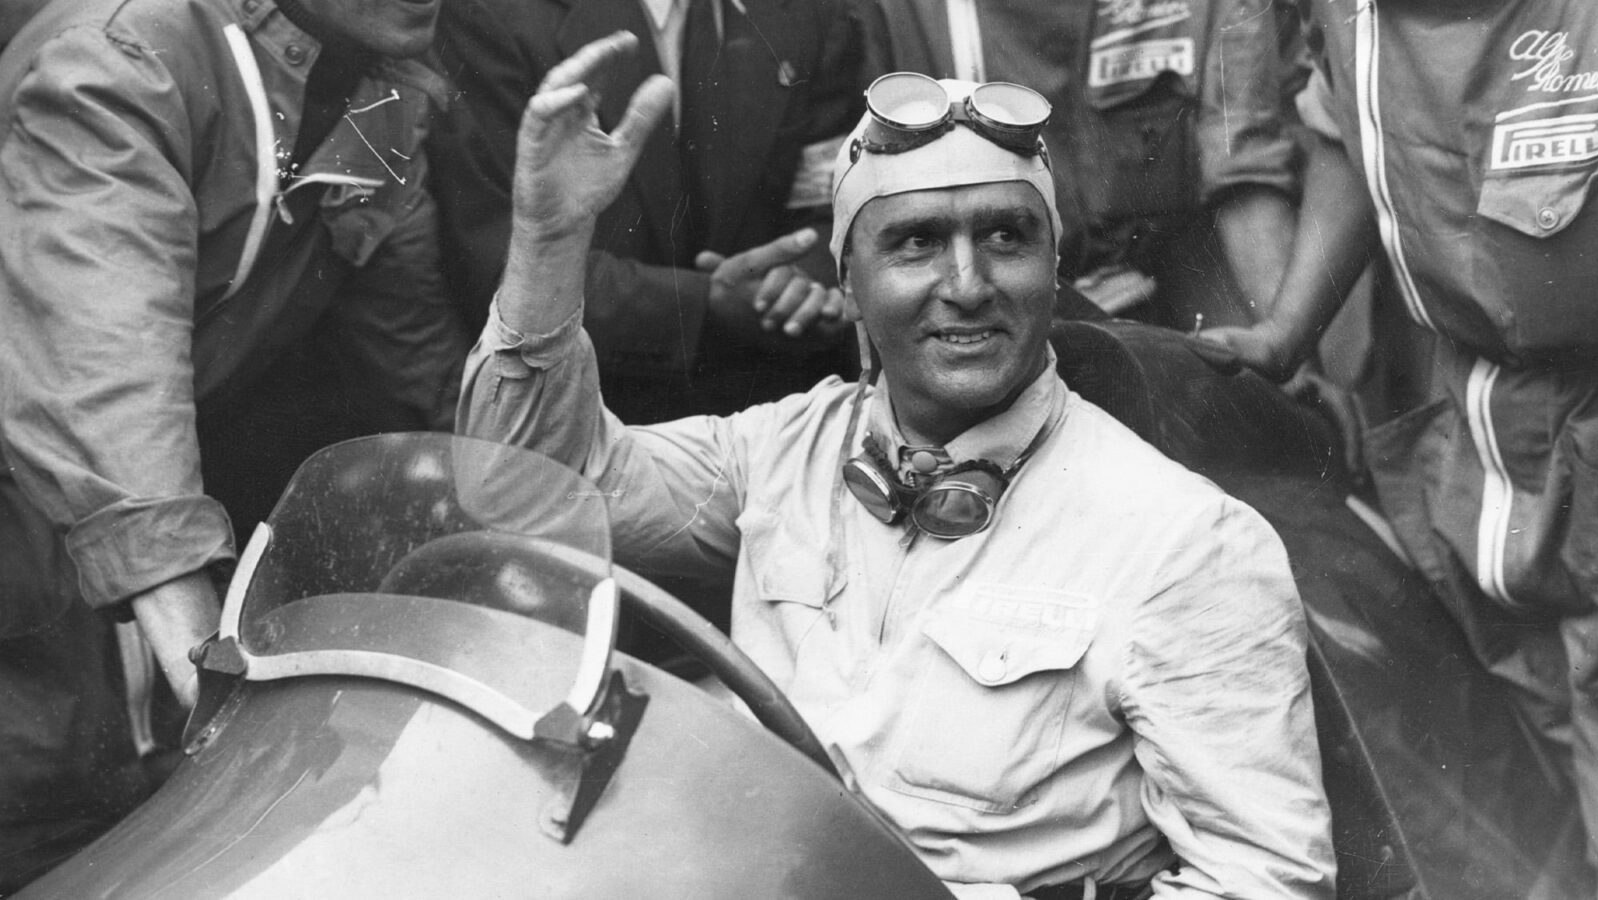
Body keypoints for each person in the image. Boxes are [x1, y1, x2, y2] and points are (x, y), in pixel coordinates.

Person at [460, 32, 1336, 899]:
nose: (966, 282)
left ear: (1053, 263)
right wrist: (548, 239)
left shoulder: (1187, 545)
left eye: (1005, 236)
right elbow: (525, 493)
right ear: (849, 284)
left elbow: (1268, 883)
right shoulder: (778, 453)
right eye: (916, 243)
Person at [0, 0, 466, 887]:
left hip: (103, 545)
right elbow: (104, 360)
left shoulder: (380, 93)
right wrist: (203, 667)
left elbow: (412, 352)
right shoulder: (122, 55)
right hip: (62, 526)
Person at [1199, 0, 1598, 869]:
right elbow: (1351, 130)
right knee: (1526, 751)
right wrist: (1290, 326)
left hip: (1587, 404)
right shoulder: (1358, 15)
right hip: (1477, 426)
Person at [426, 0, 862, 425]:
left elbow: (836, 203)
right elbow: (500, 263)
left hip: (785, 415)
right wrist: (702, 305)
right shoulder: (490, 15)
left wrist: (803, 282)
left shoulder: (814, 11)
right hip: (594, 424)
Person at [855, 0, 1301, 327]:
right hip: (983, 312)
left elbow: (1245, 166)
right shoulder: (894, 14)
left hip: (1155, 300)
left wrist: (1288, 348)